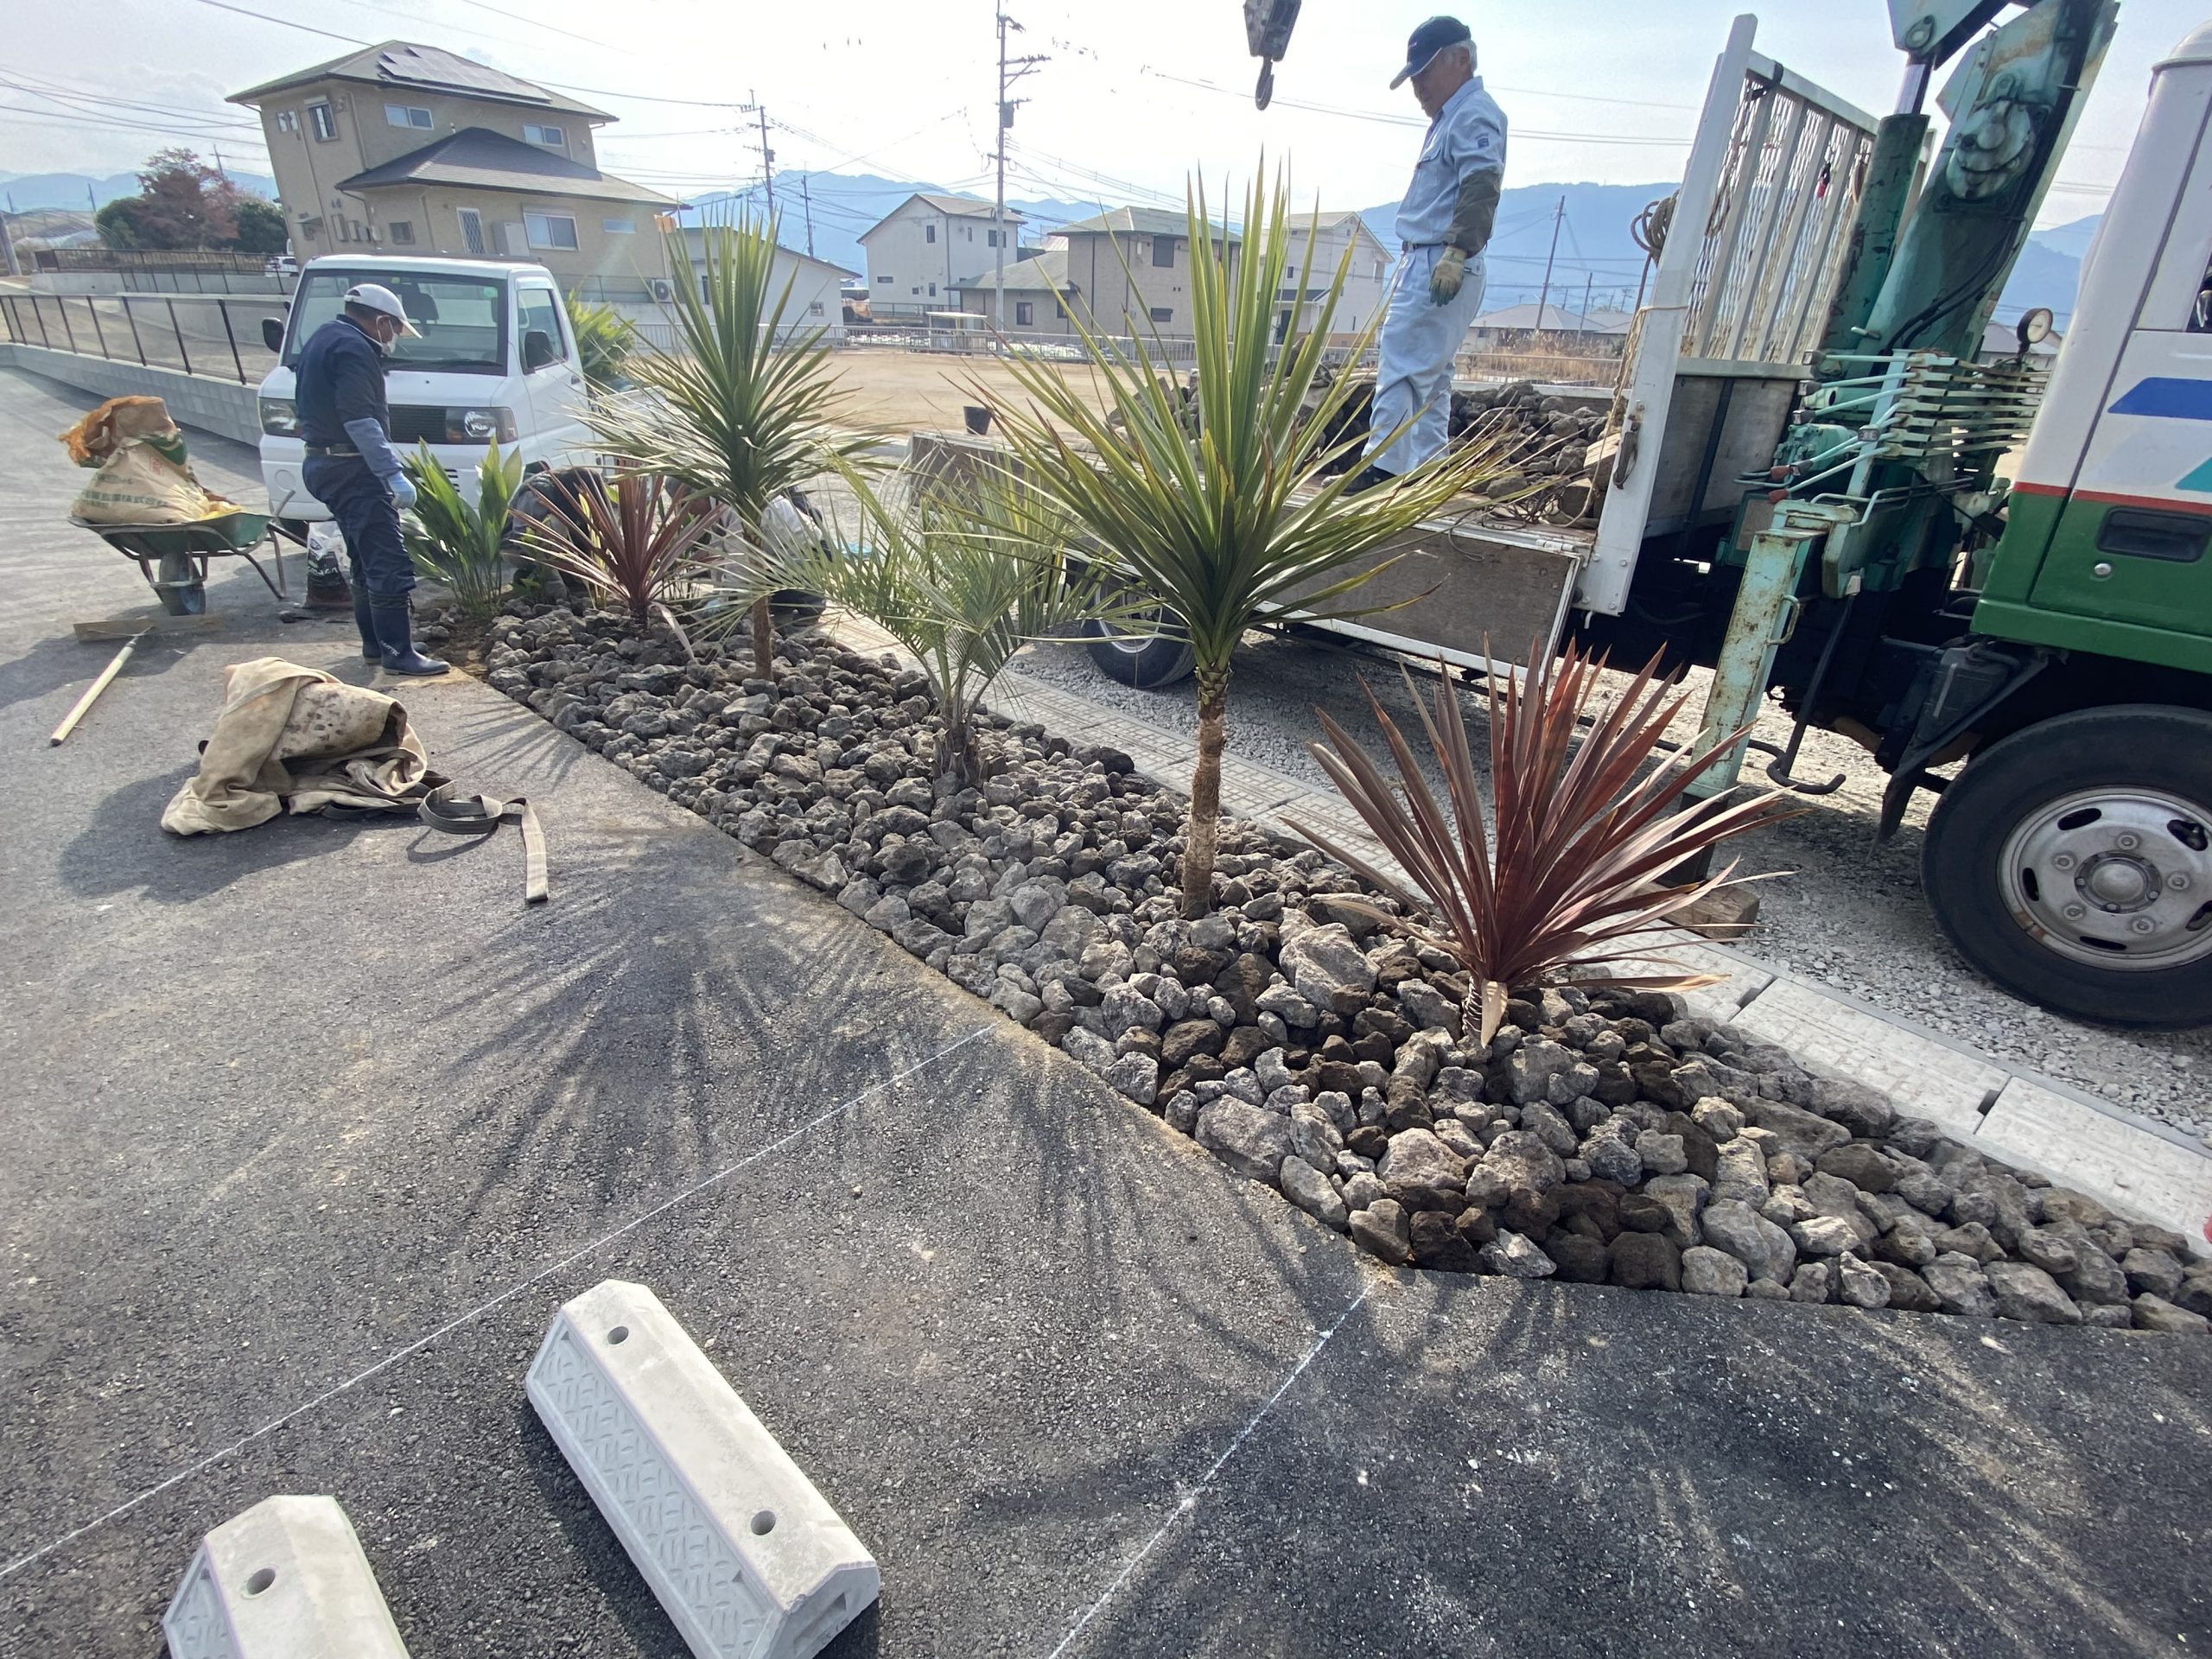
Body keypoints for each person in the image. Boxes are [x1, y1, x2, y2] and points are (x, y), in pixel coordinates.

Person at [1350, 16, 1507, 493]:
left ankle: (1383, 468)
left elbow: (1481, 184)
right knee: (1431, 374)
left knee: (1402, 365)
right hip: (1433, 255)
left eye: (1425, 72)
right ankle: (1427, 467)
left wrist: (1456, 250)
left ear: (1461, 59)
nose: (1418, 86)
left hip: (1441, 256)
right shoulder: (1450, 118)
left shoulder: (1472, 113)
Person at [296, 283, 447, 675]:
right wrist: (391, 473)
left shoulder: (323, 338)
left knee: (364, 558)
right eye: (394, 328)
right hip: (352, 469)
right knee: (386, 559)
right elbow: (360, 419)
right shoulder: (354, 349)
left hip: (323, 464)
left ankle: (376, 645)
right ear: (381, 321)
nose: (393, 337)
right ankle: (398, 653)